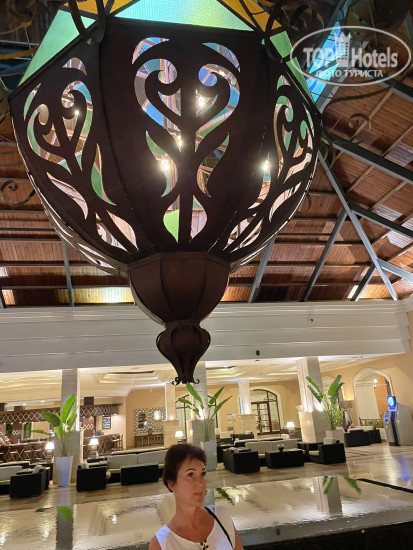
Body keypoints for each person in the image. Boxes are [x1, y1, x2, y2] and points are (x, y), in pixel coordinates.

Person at [149, 444, 244, 550]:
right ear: (171, 483)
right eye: (190, 475)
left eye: (202, 474)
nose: (201, 483)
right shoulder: (161, 544)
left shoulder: (222, 518)